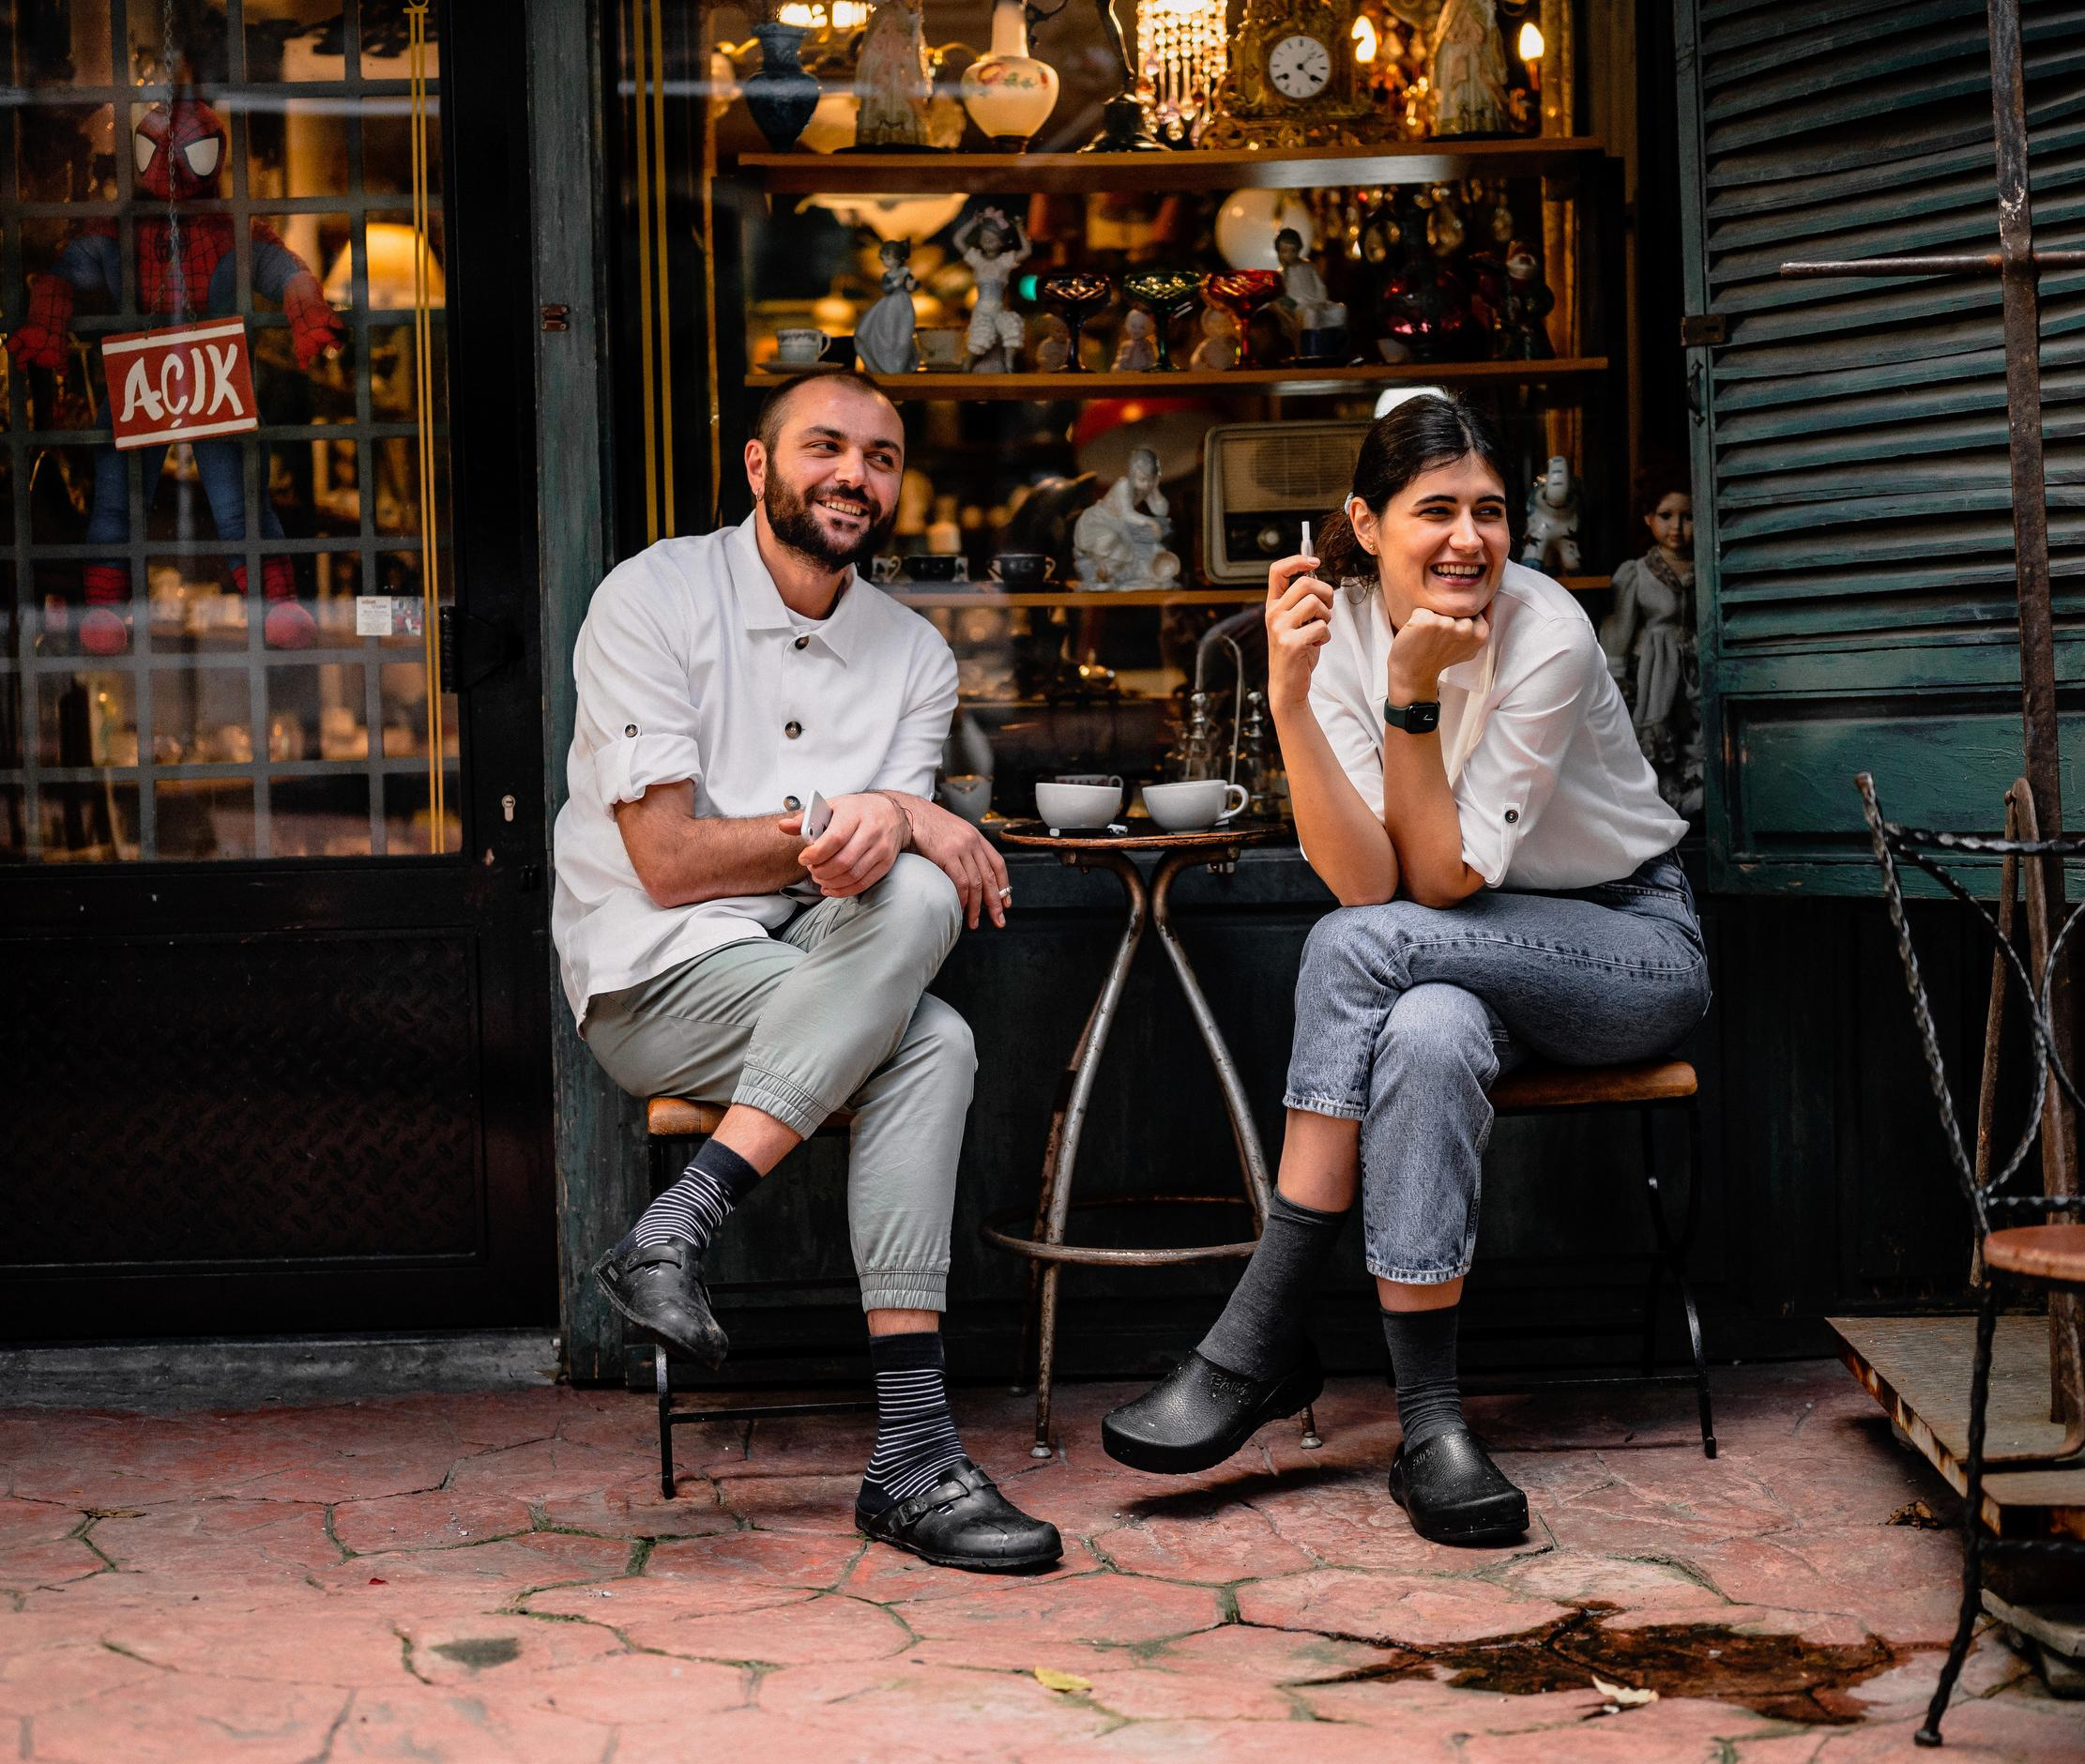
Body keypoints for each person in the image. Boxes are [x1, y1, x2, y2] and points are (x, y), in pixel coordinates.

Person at [1100, 394, 1706, 1545]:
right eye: (1435, 510)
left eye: (1489, 511)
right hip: (1453, 949)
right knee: (1422, 1027)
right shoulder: (1335, 630)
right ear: (1364, 524)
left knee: (1355, 950)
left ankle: (1256, 1335)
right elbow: (1364, 876)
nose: (1468, 538)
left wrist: (1413, 697)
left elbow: (1425, 888)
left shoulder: (1548, 632)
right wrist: (1289, 696)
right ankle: (1430, 1422)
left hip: (1627, 944)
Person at [554, 370, 1060, 1572]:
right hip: (658, 975)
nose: (853, 474)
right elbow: (668, 861)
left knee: (923, 910)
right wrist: (870, 809)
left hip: (815, 964)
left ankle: (680, 1225)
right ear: (756, 466)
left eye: (879, 457)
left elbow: (881, 881)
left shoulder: (912, 653)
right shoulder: (653, 597)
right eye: (824, 446)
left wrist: (894, 819)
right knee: (926, 1032)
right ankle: (914, 1455)